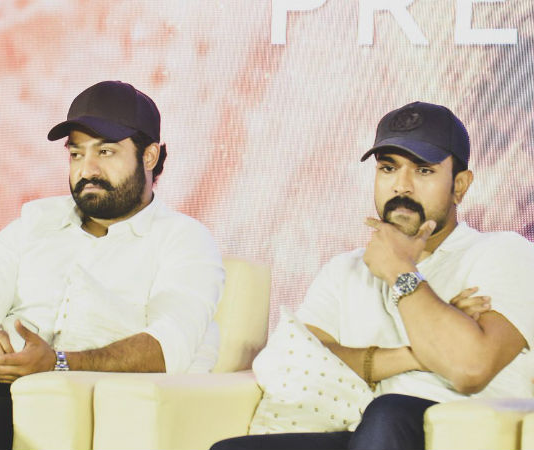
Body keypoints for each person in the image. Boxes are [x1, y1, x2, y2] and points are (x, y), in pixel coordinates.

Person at [211, 101, 534, 450]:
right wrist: (419, 353)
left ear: (460, 185)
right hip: (366, 434)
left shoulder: (503, 252)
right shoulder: (344, 269)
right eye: (388, 168)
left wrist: (400, 270)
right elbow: (302, 359)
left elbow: (470, 369)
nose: (401, 186)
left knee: (388, 413)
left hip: (458, 434)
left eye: (423, 171)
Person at [0, 80, 224, 449]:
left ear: (150, 156)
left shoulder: (184, 239)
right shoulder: (34, 222)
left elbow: (169, 346)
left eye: (105, 152)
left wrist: (56, 363)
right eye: (75, 154)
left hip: (61, 409)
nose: (87, 169)